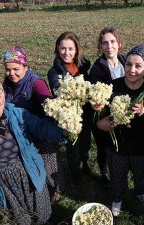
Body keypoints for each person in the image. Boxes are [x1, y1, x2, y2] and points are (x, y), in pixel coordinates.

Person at [0, 78, 68, 225]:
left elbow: (40, 126)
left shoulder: (15, 113)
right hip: (1, 181)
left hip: (27, 171)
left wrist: (62, 132)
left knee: (42, 213)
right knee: (19, 219)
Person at [97, 45, 144, 216]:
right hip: (117, 147)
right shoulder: (112, 87)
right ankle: (117, 198)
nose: (132, 70)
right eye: (129, 64)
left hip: (142, 148)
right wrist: (106, 124)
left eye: (138, 66)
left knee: (141, 175)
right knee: (117, 176)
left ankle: (140, 192)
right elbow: (100, 120)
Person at [2, 45, 64, 203]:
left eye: (15, 69)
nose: (11, 73)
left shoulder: (36, 83)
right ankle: (39, 186)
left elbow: (47, 102)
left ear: (25, 66)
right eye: (7, 69)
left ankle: (58, 188)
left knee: (50, 162)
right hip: (23, 133)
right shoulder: (7, 83)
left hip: (42, 132)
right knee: (34, 163)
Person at [47, 31, 94, 183]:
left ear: (76, 50)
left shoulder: (83, 66)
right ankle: (75, 169)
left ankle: (86, 162)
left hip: (85, 112)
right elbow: (57, 87)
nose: (67, 52)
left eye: (71, 49)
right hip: (69, 116)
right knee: (73, 145)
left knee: (86, 139)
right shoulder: (54, 72)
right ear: (57, 49)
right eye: (63, 49)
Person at [88, 27, 126, 189]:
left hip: (123, 112)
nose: (109, 46)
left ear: (119, 44)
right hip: (103, 115)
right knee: (104, 147)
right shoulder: (97, 69)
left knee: (120, 144)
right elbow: (96, 94)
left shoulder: (125, 61)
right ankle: (105, 173)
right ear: (100, 47)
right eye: (105, 43)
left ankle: (121, 170)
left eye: (112, 42)